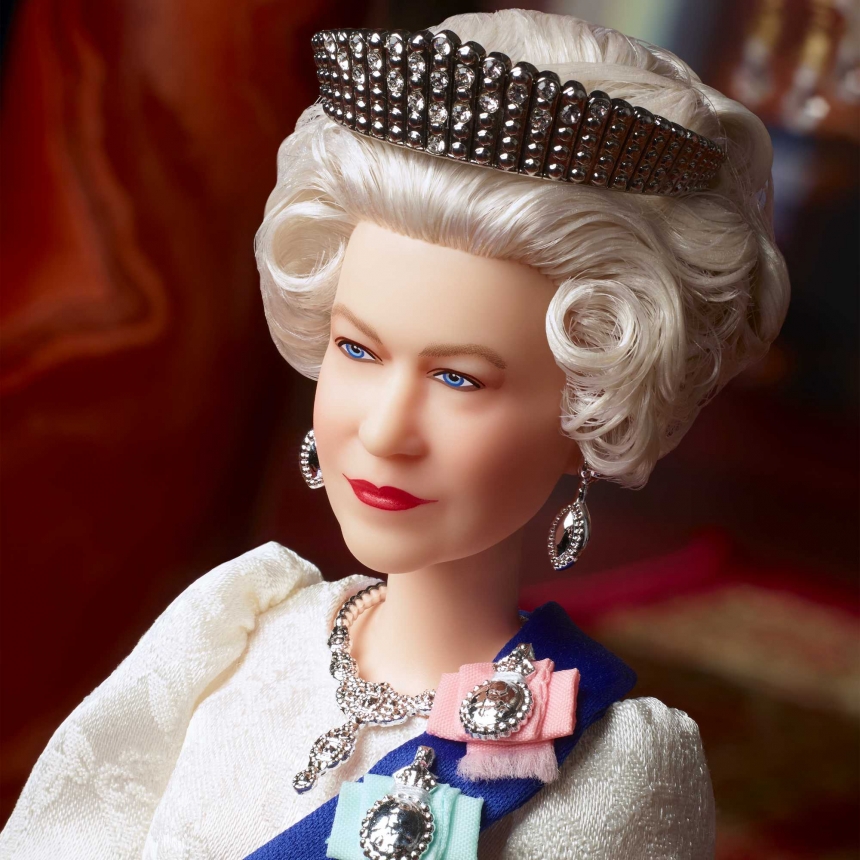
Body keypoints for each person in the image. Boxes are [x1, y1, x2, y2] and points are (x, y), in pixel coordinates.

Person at [0, 9, 789, 859]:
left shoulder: (607, 778)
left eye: (459, 379)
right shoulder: (231, 631)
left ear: (592, 406)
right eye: (357, 350)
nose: (383, 431)